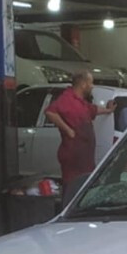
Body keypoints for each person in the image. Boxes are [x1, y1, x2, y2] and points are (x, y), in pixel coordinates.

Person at [45, 71, 117, 200]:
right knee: (72, 188)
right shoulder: (67, 98)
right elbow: (50, 112)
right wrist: (68, 130)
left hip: (84, 157)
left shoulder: (81, 102)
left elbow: (93, 109)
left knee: (82, 187)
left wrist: (108, 110)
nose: (92, 86)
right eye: (91, 82)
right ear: (83, 84)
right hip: (73, 155)